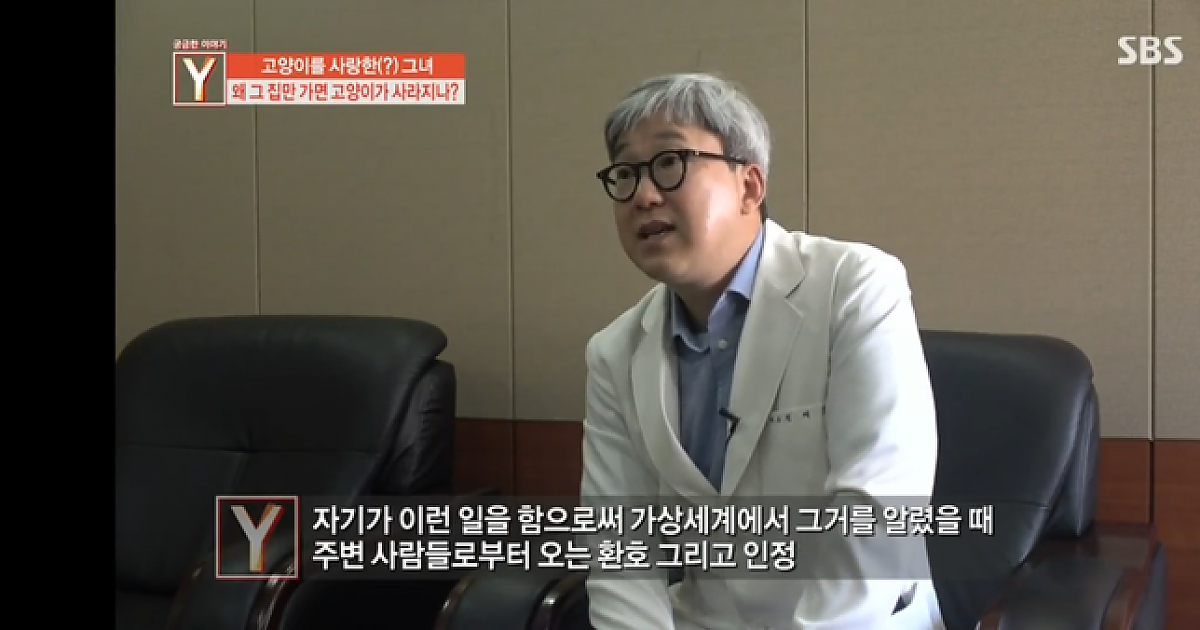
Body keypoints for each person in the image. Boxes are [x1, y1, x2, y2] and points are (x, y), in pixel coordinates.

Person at [580, 72, 944, 630]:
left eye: (670, 163)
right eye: (626, 174)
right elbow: (621, 552)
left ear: (749, 186)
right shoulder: (614, 352)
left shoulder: (854, 285)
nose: (644, 195)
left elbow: (878, 508)